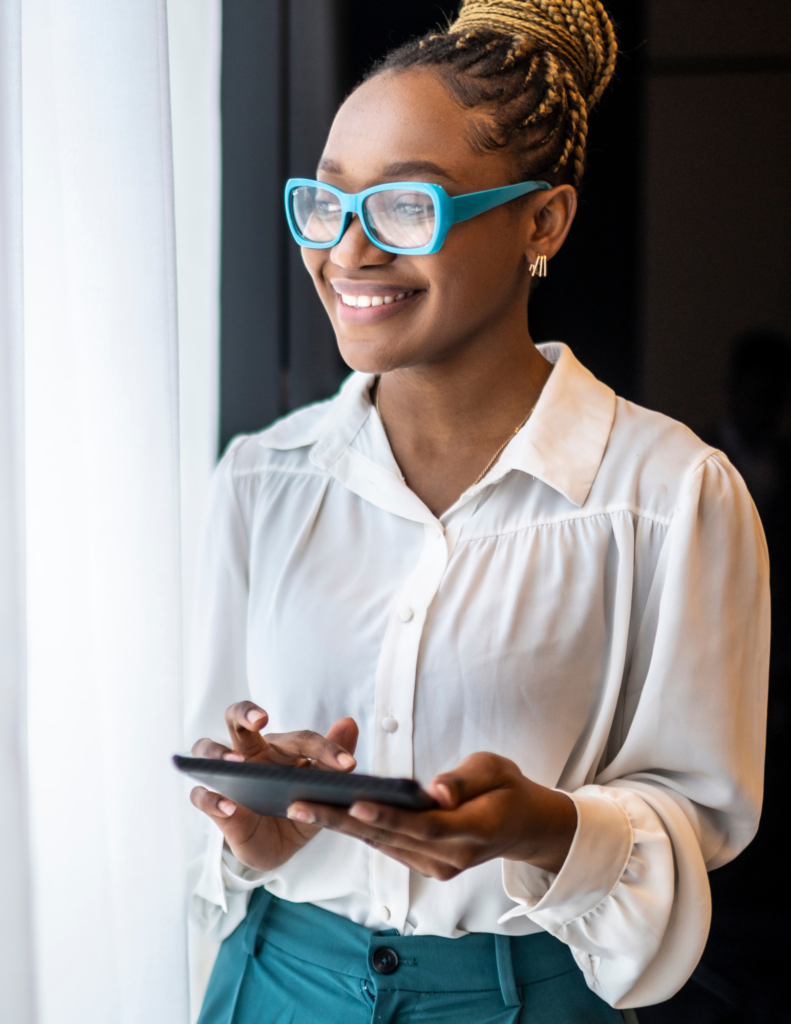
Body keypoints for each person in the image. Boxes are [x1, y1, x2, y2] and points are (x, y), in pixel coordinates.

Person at [186, 2, 770, 1022]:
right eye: (326, 204)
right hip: (272, 978)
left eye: (406, 206)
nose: (349, 251)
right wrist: (260, 819)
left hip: (527, 996)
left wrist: (546, 830)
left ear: (541, 221)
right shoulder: (259, 479)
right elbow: (206, 772)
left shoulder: (667, 498)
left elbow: (697, 821)